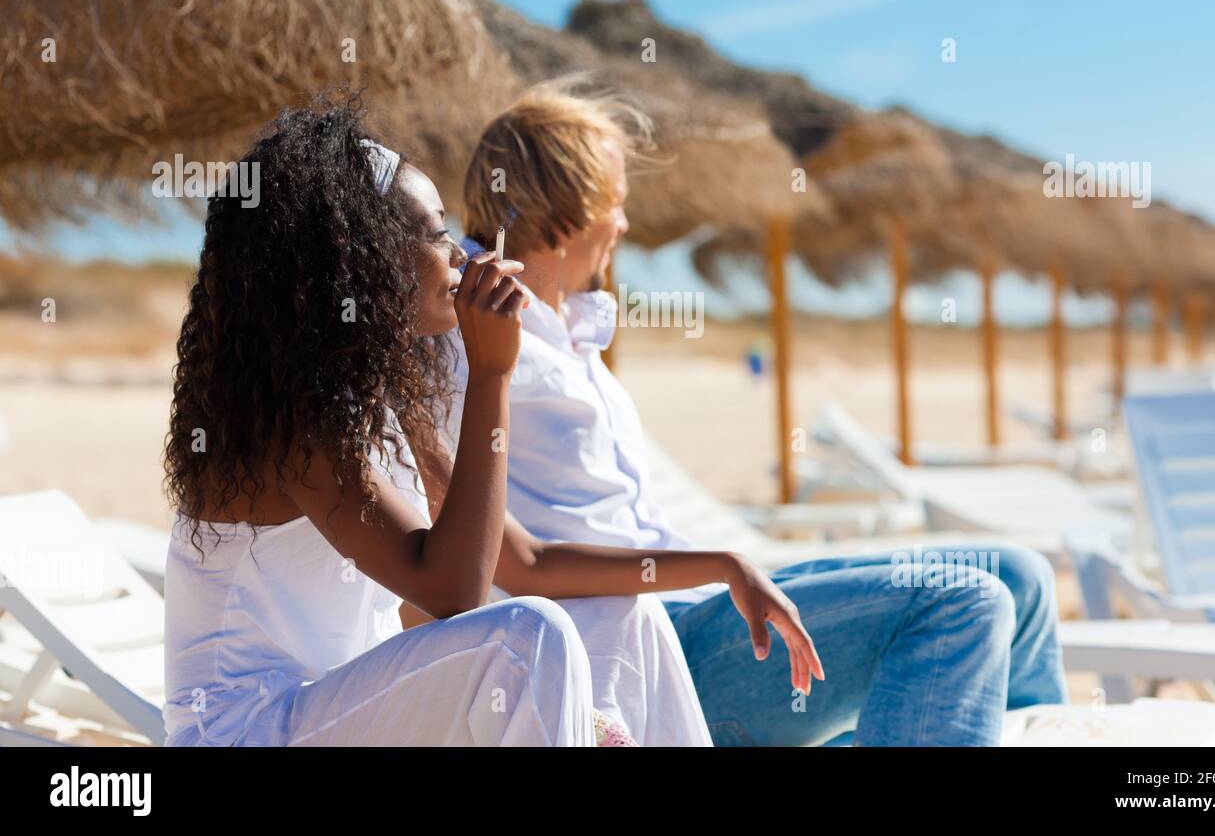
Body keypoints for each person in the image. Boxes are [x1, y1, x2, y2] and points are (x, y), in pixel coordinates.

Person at [445, 81, 1070, 746]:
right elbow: (510, 563)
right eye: (617, 205)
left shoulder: (571, 331)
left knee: (1021, 578)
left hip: (692, 602)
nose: (625, 226)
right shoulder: (472, 346)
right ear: (568, 206)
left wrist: (717, 568)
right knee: (965, 606)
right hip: (650, 657)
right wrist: (719, 564)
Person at [161, 97, 801, 746]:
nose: (460, 255)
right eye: (435, 234)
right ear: (362, 259)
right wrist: (493, 373)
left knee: (629, 617)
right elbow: (452, 591)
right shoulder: (296, 419)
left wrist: (722, 563)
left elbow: (524, 563)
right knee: (528, 638)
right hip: (250, 733)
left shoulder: (384, 399)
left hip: (336, 715)